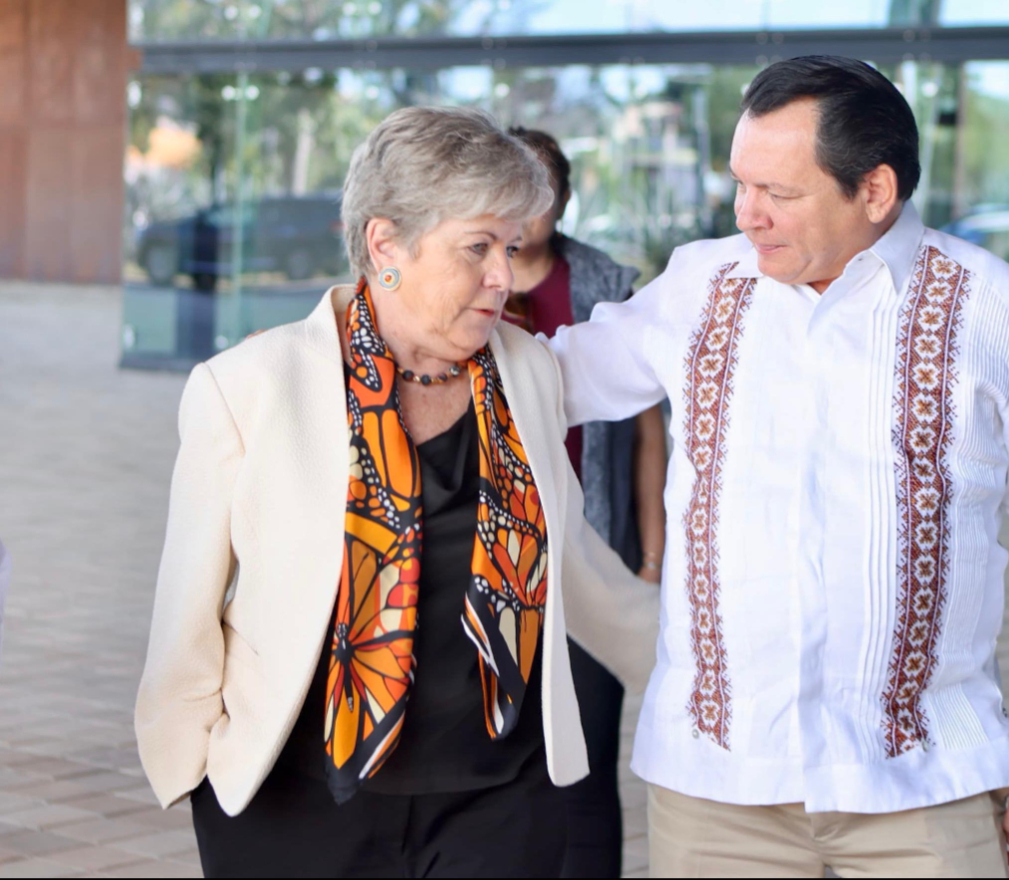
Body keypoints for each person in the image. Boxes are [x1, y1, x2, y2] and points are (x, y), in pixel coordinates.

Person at [547, 56, 1009, 878]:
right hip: (716, 791)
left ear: (875, 192)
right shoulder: (698, 287)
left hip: (924, 787)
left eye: (777, 193)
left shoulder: (997, 312)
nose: (747, 214)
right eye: (741, 184)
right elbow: (551, 380)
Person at [134, 106, 659, 879]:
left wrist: (701, 669)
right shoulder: (250, 386)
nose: (501, 278)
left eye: (509, 249)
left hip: (498, 802)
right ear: (386, 246)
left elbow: (575, 562)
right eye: (476, 248)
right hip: (297, 805)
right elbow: (187, 606)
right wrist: (193, 772)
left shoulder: (528, 372)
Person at [506, 126, 668, 880]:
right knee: (506, 764)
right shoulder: (467, 278)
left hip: (589, 550)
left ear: (564, 200)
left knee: (587, 765)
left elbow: (646, 433)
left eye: (542, 190)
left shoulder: (605, 282)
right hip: (498, 558)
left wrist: (651, 553)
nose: (527, 206)